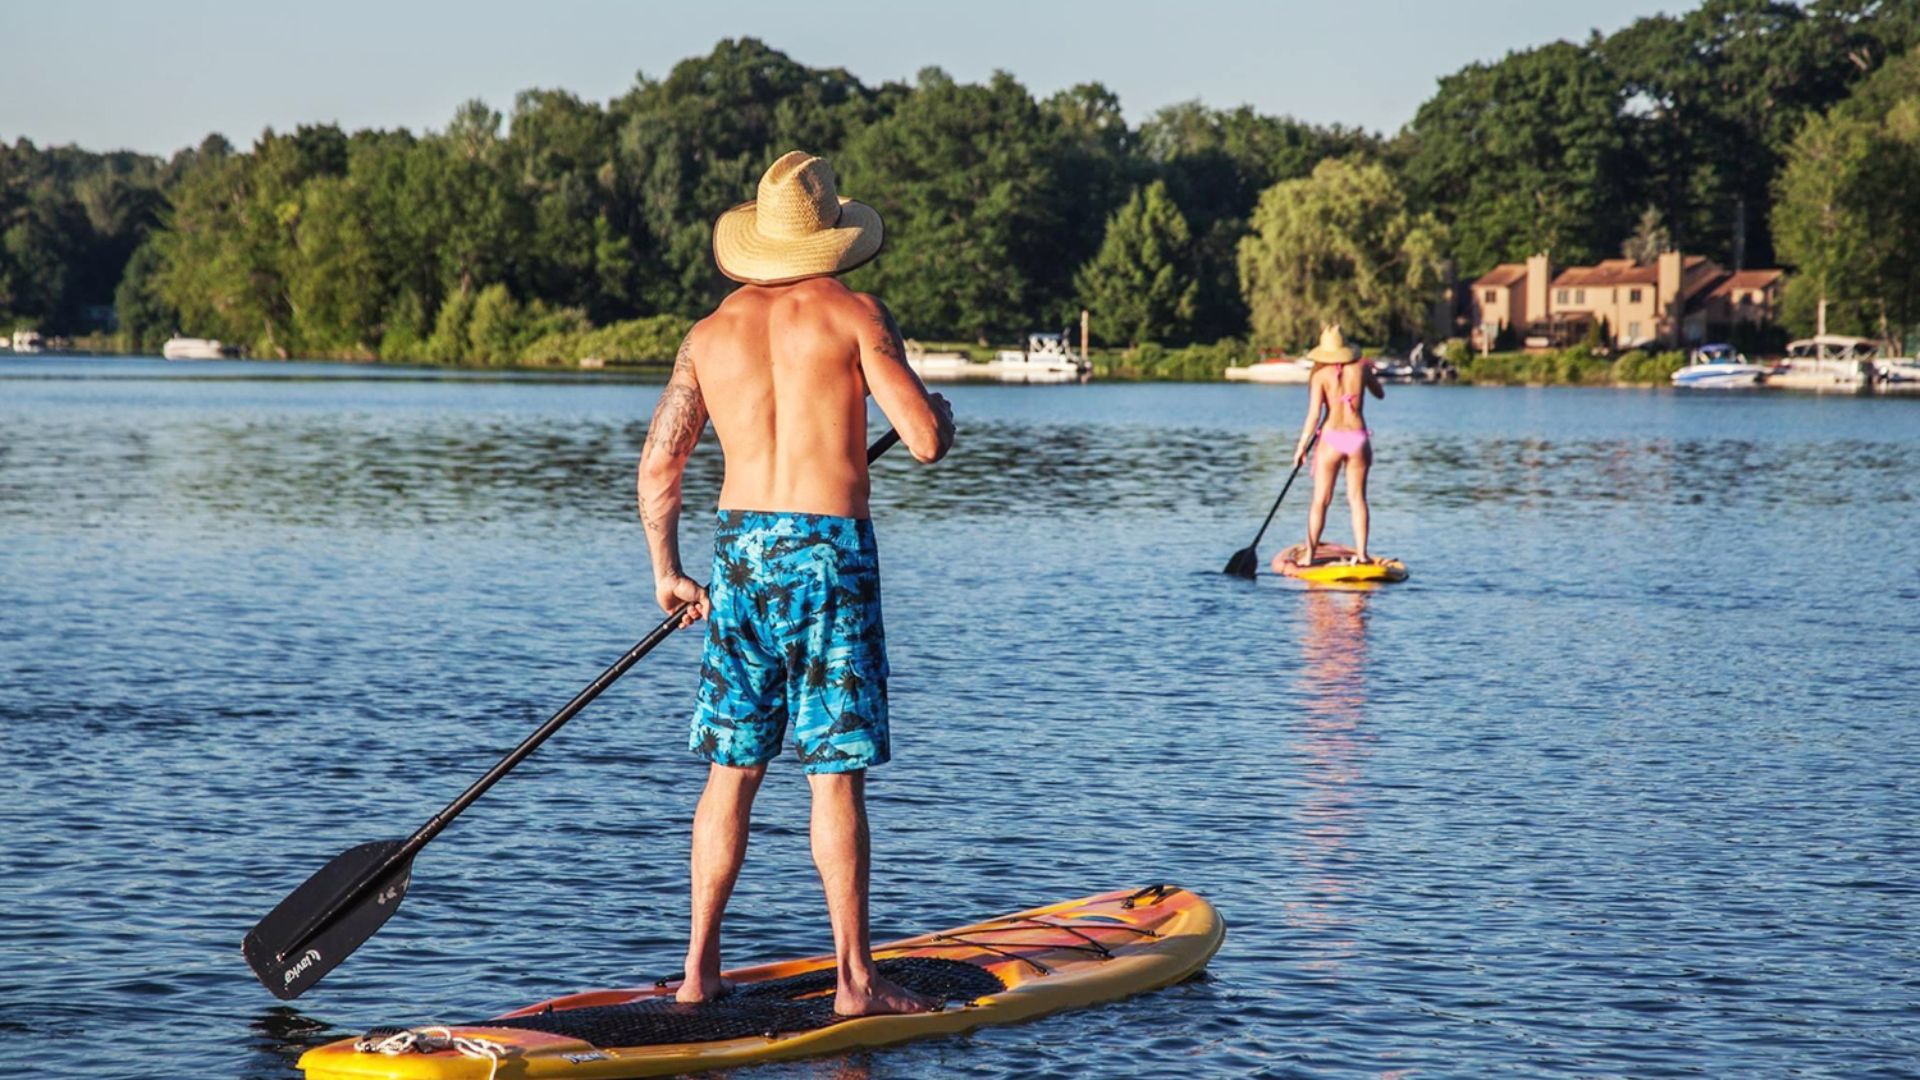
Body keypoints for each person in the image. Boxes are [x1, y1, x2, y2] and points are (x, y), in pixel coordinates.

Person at [635, 150, 955, 1017]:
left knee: (729, 772)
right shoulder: (854, 314)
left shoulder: (709, 334)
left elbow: (661, 464)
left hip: (739, 556)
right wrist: (941, 420)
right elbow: (922, 440)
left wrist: (667, 571)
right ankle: (855, 982)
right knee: (833, 776)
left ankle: (698, 973)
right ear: (835, 239)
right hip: (828, 557)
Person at [1293, 324, 1384, 566]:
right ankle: (1363, 554)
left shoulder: (1319, 377)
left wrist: (1301, 446)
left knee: (1320, 500)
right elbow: (1380, 393)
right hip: (1357, 438)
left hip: (1331, 438)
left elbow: (1313, 416)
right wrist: (1369, 373)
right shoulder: (1361, 369)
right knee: (1357, 499)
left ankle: (1309, 556)